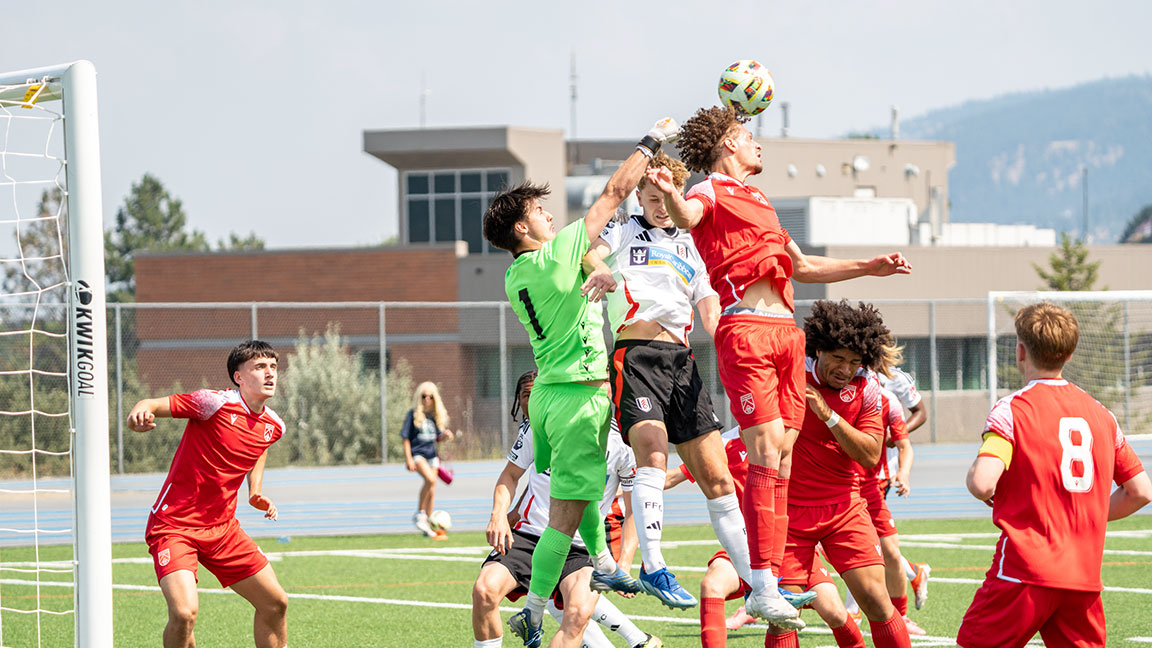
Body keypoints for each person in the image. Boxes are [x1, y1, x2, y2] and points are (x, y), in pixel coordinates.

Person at [645, 105, 911, 622]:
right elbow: (687, 217)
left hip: (788, 333)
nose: (757, 143)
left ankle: (768, 579)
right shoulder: (708, 190)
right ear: (726, 146)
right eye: (747, 135)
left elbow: (804, 265)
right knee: (766, 450)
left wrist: (870, 268)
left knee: (782, 458)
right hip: (746, 330)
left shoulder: (761, 199)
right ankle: (763, 583)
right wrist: (673, 194)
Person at [483, 117, 680, 647]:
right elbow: (615, 194)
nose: (550, 215)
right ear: (523, 230)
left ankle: (607, 564)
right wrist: (650, 142)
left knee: (583, 495)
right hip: (577, 394)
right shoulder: (550, 257)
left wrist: (596, 263)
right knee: (563, 518)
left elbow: (587, 256)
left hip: (548, 393)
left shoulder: (516, 273)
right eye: (539, 212)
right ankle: (533, 612)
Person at [585, 150, 776, 615]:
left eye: (662, 198)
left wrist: (741, 336)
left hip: (683, 363)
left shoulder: (694, 247)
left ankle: (761, 588)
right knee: (651, 453)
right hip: (637, 355)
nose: (656, 206)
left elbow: (710, 313)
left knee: (717, 478)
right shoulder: (626, 227)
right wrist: (601, 268)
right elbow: (590, 249)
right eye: (649, 197)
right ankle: (653, 565)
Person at [956, 302, 1152, 648]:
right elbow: (1140, 491)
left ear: (1020, 350)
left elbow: (981, 482)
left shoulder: (1012, 409)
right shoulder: (1102, 415)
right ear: (1071, 353)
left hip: (1024, 572)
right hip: (1083, 578)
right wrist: (1081, 515)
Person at [473, 371, 661, 648]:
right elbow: (509, 476)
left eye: (604, 384)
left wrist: (624, 563)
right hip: (531, 536)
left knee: (576, 615)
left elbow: (634, 510)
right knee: (484, 590)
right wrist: (499, 515)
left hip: (584, 546)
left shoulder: (624, 442)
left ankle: (637, 639)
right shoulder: (538, 426)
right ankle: (637, 639)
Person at [127, 340, 289, 648]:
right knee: (185, 613)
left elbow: (259, 449)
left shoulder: (274, 425)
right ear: (238, 377)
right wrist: (138, 415)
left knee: (275, 603)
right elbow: (150, 404)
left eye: (273, 367)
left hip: (223, 530)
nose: (270, 374)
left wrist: (255, 491)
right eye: (259, 367)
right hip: (174, 526)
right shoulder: (212, 403)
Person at [773, 300, 911, 647]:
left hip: (844, 509)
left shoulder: (867, 388)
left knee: (877, 602)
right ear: (818, 350)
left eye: (854, 362)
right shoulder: (791, 373)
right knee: (783, 617)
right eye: (837, 358)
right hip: (789, 515)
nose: (845, 369)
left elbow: (870, 454)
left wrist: (828, 415)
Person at [667, 428, 872, 648]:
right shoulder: (723, 444)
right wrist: (638, 485)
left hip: (790, 545)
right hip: (744, 546)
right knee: (712, 584)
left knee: (835, 613)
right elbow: (672, 477)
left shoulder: (785, 438)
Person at [844, 385, 928, 635]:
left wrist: (904, 473)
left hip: (871, 485)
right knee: (836, 547)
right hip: (836, 485)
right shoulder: (824, 390)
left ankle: (900, 614)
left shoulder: (887, 399)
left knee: (889, 551)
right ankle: (912, 572)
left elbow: (905, 444)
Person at [401, 381, 456, 538]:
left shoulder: (434, 417)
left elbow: (436, 438)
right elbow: (405, 438)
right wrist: (409, 459)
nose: (427, 400)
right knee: (430, 480)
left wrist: (445, 436)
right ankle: (420, 513)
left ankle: (430, 524)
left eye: (430, 397)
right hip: (418, 454)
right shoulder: (412, 415)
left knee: (432, 488)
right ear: (419, 397)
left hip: (432, 456)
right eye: (424, 396)